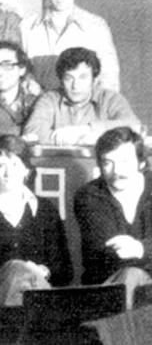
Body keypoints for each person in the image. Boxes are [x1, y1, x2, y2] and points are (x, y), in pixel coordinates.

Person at [0, 135, 71, 307]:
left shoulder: (45, 209)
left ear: (26, 169)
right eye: (0, 165)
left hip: (40, 294)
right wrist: (10, 273)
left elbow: (64, 270)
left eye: (15, 164)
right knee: (15, 271)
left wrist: (42, 272)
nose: (8, 172)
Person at [74, 127, 152, 308]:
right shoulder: (88, 196)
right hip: (109, 286)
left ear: (141, 163)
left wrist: (139, 248)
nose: (117, 171)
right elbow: (114, 254)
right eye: (108, 162)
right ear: (100, 166)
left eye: (124, 161)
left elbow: (131, 252)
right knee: (130, 275)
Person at [21, 0, 120, 91]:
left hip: (84, 108)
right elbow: (19, 73)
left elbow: (109, 78)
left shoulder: (96, 27)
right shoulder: (27, 27)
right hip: (40, 106)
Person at [23, 47, 140, 146]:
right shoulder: (49, 99)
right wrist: (67, 138)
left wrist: (88, 130)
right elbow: (32, 132)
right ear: (61, 80)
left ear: (94, 80)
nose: (75, 85)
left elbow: (134, 126)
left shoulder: (110, 98)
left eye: (83, 77)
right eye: (69, 78)